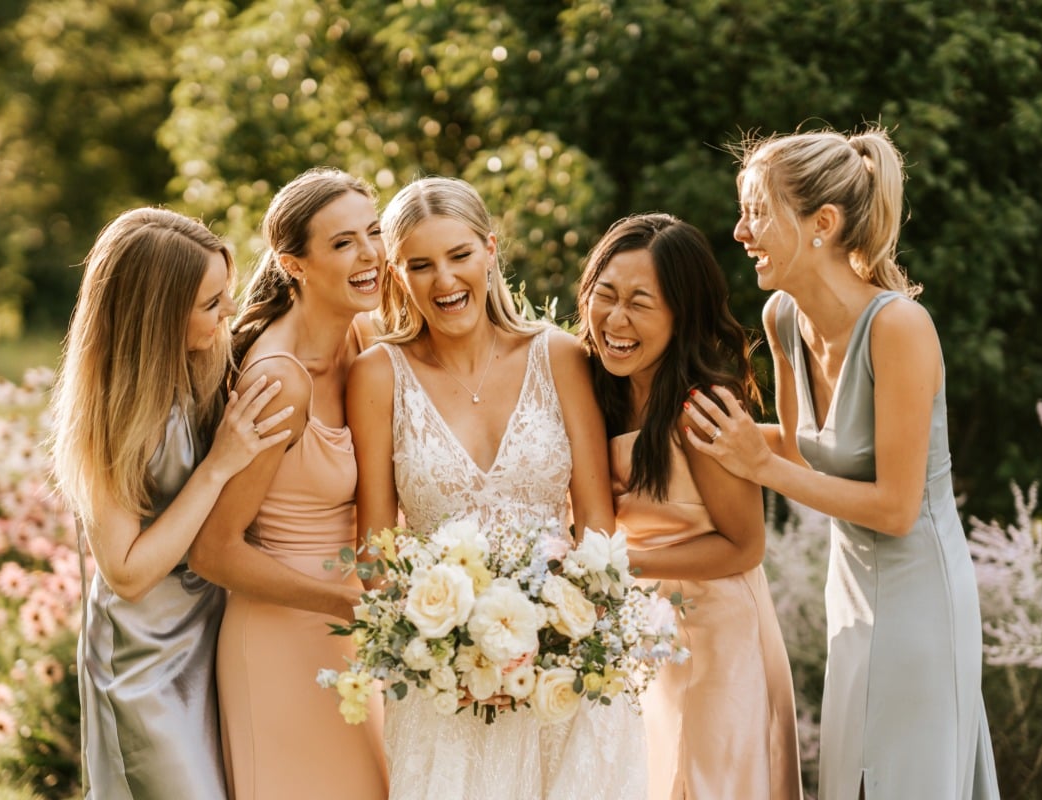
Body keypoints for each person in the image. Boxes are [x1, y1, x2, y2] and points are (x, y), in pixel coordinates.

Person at [685, 127, 1000, 800]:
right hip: (849, 601)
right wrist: (690, 430)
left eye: (758, 211)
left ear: (822, 224)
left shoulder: (899, 328)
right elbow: (803, 449)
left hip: (923, 605)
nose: (741, 232)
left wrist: (757, 464)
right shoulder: (782, 317)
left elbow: (895, 506)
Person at [348, 176, 645, 800]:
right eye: (420, 265)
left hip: (564, 670)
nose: (444, 281)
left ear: (490, 248)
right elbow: (376, 549)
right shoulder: (378, 375)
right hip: (446, 686)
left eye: (459, 256)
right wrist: (439, 649)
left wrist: (565, 635)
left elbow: (596, 522)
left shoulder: (559, 356)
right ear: (396, 274)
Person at [50, 207, 293, 798]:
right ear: (157, 317)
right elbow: (127, 574)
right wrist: (217, 466)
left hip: (215, 640)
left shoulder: (208, 364)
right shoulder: (107, 416)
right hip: (142, 666)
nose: (227, 314)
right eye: (212, 304)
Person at [578, 212, 804, 799]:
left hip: (719, 638)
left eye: (640, 303)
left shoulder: (702, 406)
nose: (615, 320)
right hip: (643, 632)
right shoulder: (594, 388)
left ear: (681, 315)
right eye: (606, 296)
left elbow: (744, 544)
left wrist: (614, 565)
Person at [187, 167, 388, 800]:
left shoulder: (364, 339)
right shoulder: (280, 379)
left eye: (374, 233)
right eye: (343, 243)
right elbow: (215, 550)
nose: (369, 255)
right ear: (293, 264)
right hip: (282, 634)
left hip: (353, 628)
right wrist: (345, 605)